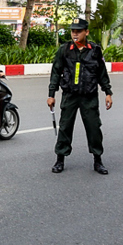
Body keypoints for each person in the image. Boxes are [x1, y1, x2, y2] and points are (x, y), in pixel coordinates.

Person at [47, 18, 113, 175]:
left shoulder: (94, 50)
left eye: (78, 31)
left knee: (94, 128)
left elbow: (102, 73)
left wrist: (108, 92)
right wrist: (51, 94)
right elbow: (56, 72)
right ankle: (60, 159)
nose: (75, 34)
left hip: (89, 96)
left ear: (86, 32)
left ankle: (98, 160)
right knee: (64, 127)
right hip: (70, 96)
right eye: (73, 31)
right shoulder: (65, 50)